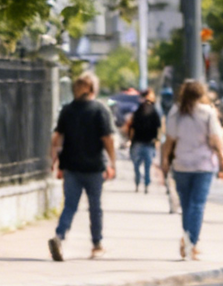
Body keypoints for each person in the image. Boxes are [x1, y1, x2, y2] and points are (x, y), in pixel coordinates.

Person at [47, 71, 116, 260]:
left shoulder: (67, 110)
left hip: (70, 167)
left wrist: (54, 161)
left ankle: (59, 237)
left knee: (69, 205)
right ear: (93, 89)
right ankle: (97, 244)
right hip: (94, 167)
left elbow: (57, 137)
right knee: (95, 207)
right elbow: (107, 139)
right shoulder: (100, 110)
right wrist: (112, 162)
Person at [160, 79, 223, 260]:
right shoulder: (207, 112)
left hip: (181, 164)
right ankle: (191, 243)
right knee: (197, 205)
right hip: (203, 165)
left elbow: (169, 139)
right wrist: (222, 159)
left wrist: (165, 160)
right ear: (201, 94)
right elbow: (215, 139)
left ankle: (188, 239)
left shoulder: (175, 111)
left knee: (187, 205)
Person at [124, 88, 163, 193]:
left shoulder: (148, 110)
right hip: (143, 142)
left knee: (141, 166)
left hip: (144, 142)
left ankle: (142, 183)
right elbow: (131, 126)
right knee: (143, 166)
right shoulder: (143, 110)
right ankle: (142, 183)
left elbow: (158, 127)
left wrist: (157, 140)